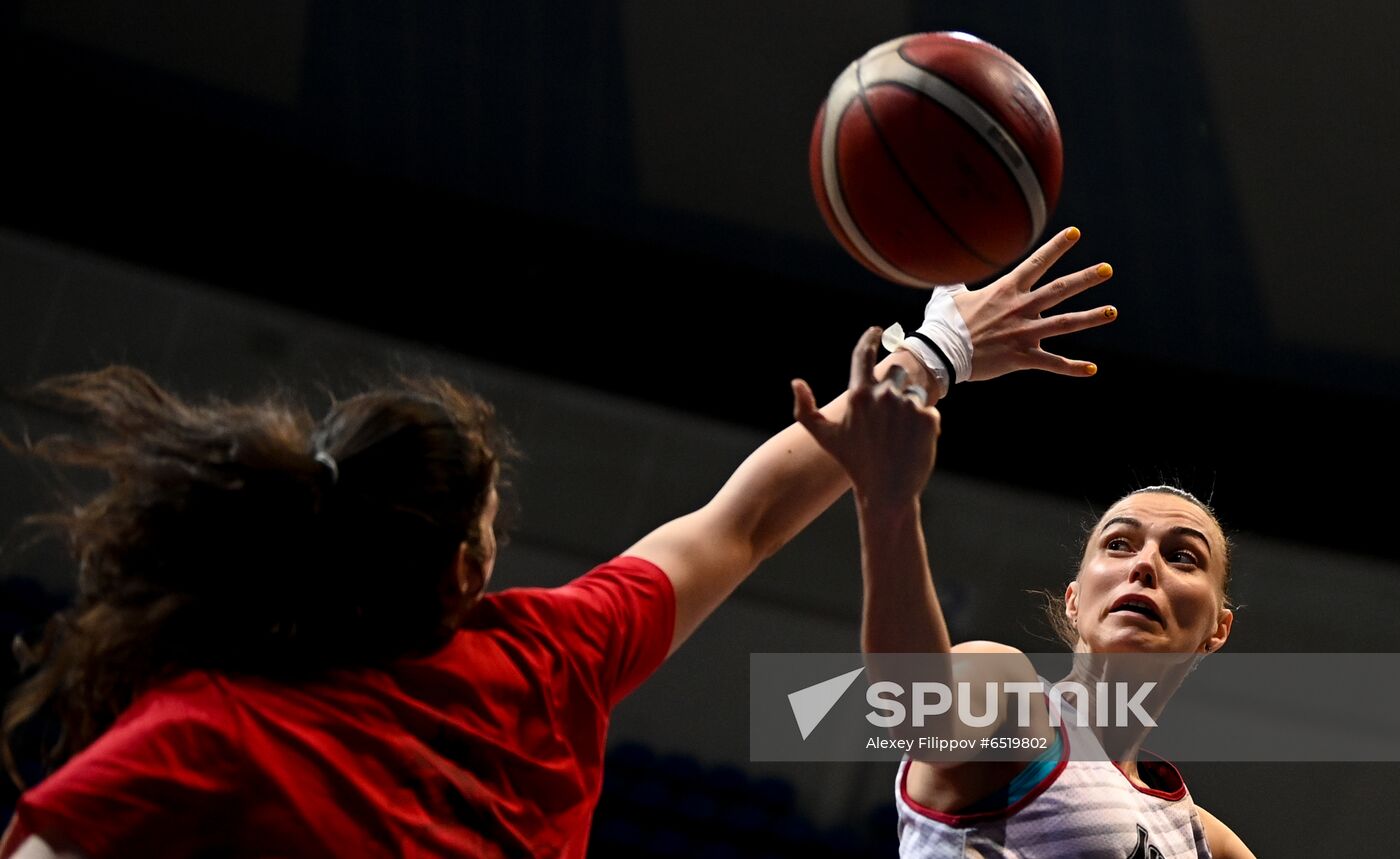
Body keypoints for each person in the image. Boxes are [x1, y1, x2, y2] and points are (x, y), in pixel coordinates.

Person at [0, 227, 1114, 859]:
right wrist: (939, 347)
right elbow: (748, 518)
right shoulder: (543, 656)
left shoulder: (212, 726)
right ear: (467, 572)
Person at [793, 311, 1257, 855]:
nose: (1145, 564)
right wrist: (889, 506)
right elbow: (921, 712)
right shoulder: (1007, 694)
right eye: (1118, 544)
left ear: (1217, 629)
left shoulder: (1202, 839)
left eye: (1182, 556)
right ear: (1075, 600)